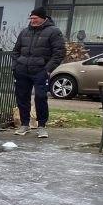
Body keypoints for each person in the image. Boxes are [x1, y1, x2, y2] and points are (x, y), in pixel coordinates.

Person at [11, 7, 66, 138]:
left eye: (35, 18)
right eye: (31, 18)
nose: (32, 21)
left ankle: (41, 126)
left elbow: (59, 53)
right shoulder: (25, 32)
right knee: (22, 97)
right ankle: (24, 124)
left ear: (43, 18)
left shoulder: (54, 32)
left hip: (40, 71)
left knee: (40, 97)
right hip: (22, 70)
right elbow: (16, 50)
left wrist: (47, 70)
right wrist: (16, 65)